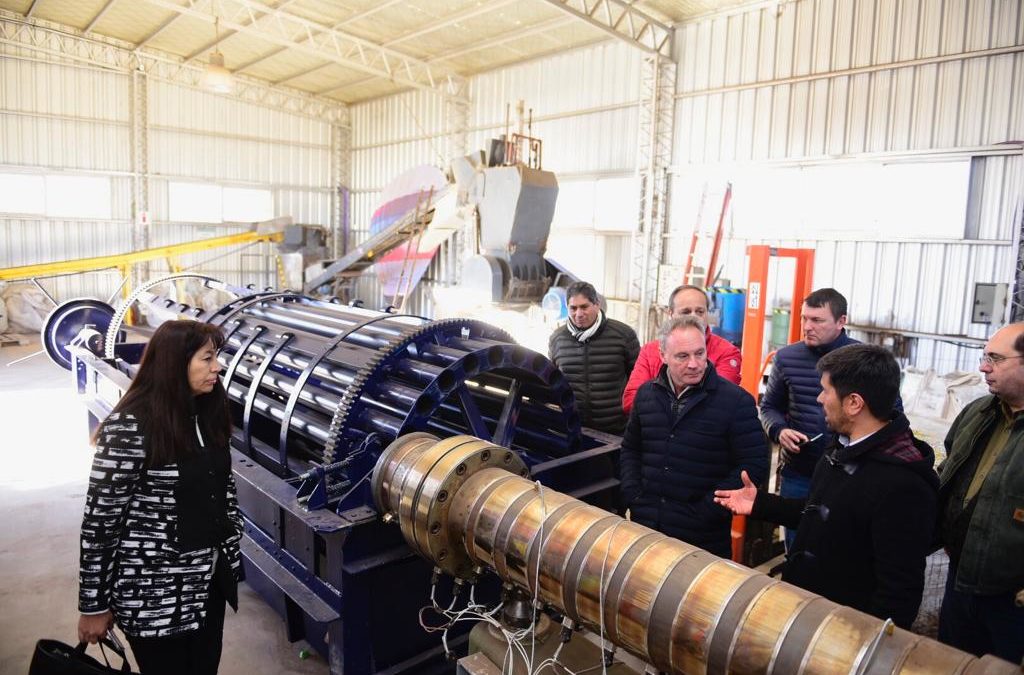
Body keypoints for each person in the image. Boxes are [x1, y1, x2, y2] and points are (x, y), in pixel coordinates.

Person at [716, 344, 939, 629]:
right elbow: (819, 512)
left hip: (841, 634)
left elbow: (898, 592)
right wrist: (759, 503)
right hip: (808, 614)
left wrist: (865, 649)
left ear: (854, 403)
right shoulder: (841, 448)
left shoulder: (903, 486)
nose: (820, 399)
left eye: (826, 390)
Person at [77, 320, 244, 675]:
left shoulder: (205, 414)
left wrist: (231, 540)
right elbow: (100, 523)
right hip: (153, 599)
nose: (218, 366)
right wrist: (93, 605)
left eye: (217, 356)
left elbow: (223, 487)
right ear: (175, 363)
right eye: (207, 358)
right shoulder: (131, 425)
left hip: (206, 587)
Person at [620, 315, 769, 558]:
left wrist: (707, 511)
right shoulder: (646, 395)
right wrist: (634, 495)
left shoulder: (735, 402)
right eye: (683, 356)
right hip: (646, 528)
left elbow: (753, 464)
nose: (694, 364)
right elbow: (631, 449)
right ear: (663, 355)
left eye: (700, 353)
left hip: (703, 540)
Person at [936, 322, 1024, 663]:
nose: (983, 367)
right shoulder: (979, 413)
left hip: (1012, 602)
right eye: (984, 356)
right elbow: (947, 474)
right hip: (960, 581)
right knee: (952, 662)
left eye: (996, 358)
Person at [758, 288, 859, 550]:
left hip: (850, 475)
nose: (807, 326)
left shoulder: (862, 361)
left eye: (817, 320)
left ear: (841, 321)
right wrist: (779, 431)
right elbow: (768, 407)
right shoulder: (786, 358)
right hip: (799, 473)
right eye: (804, 318)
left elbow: (890, 415)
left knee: (842, 546)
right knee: (798, 545)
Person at [622, 284, 742, 414]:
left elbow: (717, 404)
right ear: (671, 314)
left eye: (700, 311)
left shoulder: (727, 353)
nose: (694, 317)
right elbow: (631, 401)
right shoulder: (650, 351)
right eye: (686, 312)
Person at [549, 281, 640, 434]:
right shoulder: (557, 339)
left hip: (616, 430)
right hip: (574, 428)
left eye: (584, 307)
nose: (579, 314)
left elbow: (639, 381)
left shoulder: (623, 335)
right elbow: (553, 381)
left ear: (597, 305)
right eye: (573, 308)